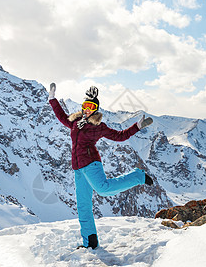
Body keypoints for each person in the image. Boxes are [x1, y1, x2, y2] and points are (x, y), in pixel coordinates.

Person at [48, 83, 154, 249]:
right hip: (78, 169)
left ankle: (138, 176)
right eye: (85, 106)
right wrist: (52, 99)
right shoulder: (76, 122)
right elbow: (62, 117)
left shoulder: (98, 127)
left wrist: (137, 126)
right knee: (83, 206)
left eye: (91, 107)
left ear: (96, 109)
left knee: (103, 189)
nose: (87, 109)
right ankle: (90, 241)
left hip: (91, 164)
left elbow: (120, 136)